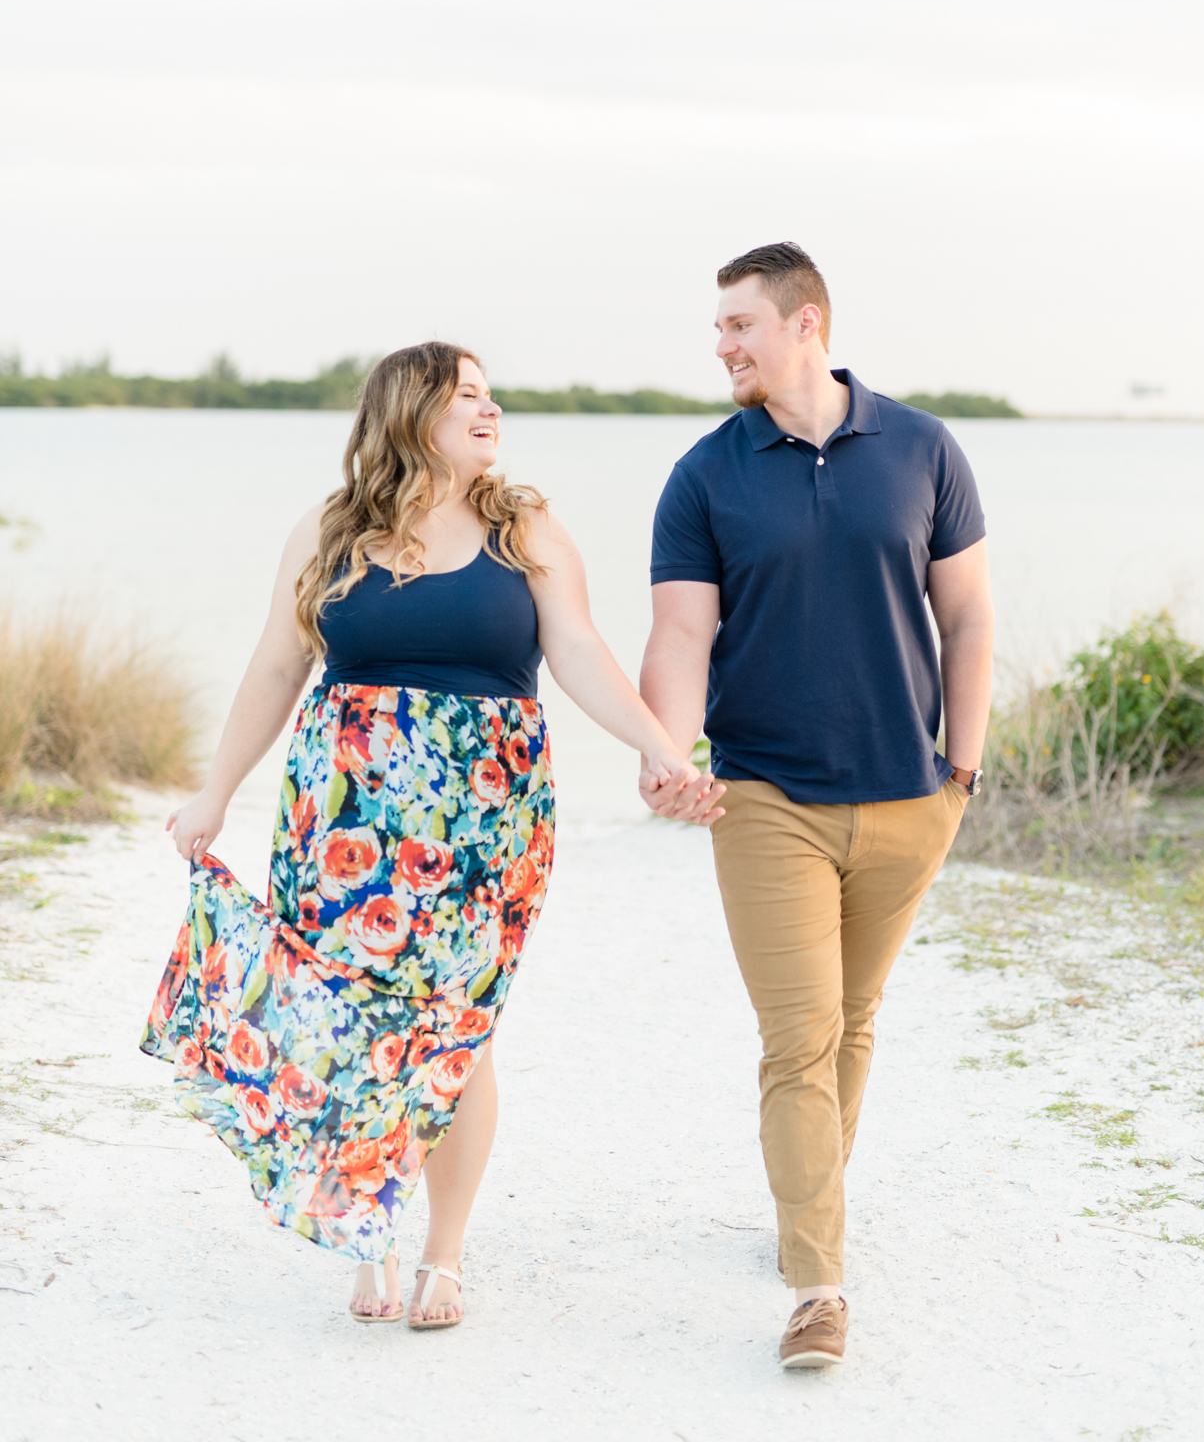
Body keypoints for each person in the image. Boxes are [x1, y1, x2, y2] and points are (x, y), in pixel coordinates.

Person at [144, 341, 722, 1329]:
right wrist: (213, 792)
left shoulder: (523, 525)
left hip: (485, 821)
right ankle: (366, 1234)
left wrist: (663, 747)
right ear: (411, 411)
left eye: (491, 395)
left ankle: (441, 1254)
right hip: (339, 819)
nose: (490, 410)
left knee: (457, 1028)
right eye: (467, 397)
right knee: (347, 1027)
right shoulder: (331, 531)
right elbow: (277, 667)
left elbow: (576, 649)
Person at [640, 242, 994, 1370]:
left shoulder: (922, 446)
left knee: (852, 1019)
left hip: (909, 792)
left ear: (806, 323)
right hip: (765, 797)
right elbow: (682, 630)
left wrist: (964, 766)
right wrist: (665, 747)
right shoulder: (704, 473)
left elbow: (969, 616)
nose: (722, 345)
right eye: (718, 328)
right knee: (798, 1037)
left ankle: (806, 1204)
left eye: (739, 324)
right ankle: (816, 1283)